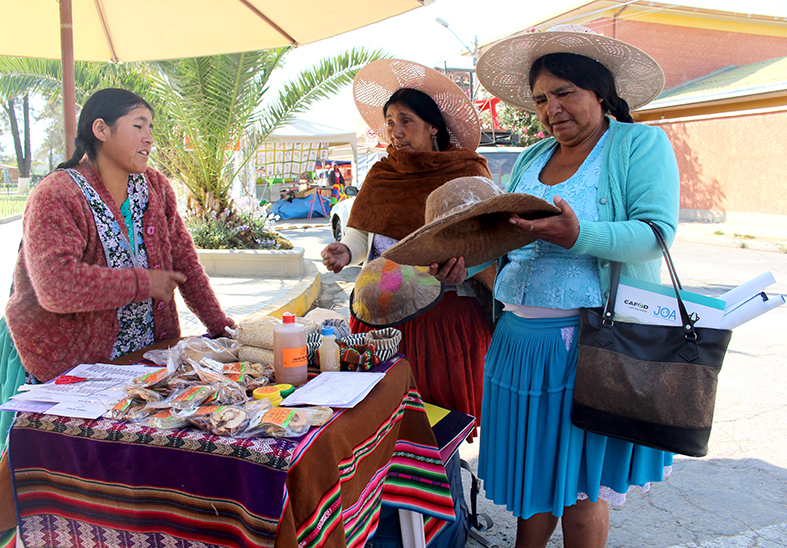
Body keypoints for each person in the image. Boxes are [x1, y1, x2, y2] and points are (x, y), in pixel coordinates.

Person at [427, 26, 680, 547]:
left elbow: (656, 234)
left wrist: (577, 233)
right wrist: (466, 265)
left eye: (565, 92)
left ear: (600, 92)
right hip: (517, 342)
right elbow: (508, 242)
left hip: (586, 346)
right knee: (534, 483)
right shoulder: (529, 158)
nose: (551, 108)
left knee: (580, 493)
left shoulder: (638, 143)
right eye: (541, 98)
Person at [2, 88, 234, 410]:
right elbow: (56, 286)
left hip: (146, 361)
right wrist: (143, 283)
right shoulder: (57, 194)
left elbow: (185, 265)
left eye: (151, 127)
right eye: (138, 126)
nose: (149, 138)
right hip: (74, 371)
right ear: (101, 130)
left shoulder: (155, 188)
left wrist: (221, 327)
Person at [321, 59, 493, 433]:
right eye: (389, 122)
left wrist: (468, 267)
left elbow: (488, 240)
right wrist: (345, 252)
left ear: (434, 127)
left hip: (443, 318)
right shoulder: (382, 173)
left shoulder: (466, 170)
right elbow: (363, 232)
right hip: (379, 317)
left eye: (406, 121)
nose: (395, 131)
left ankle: (447, 491)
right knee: (379, 423)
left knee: (436, 426)